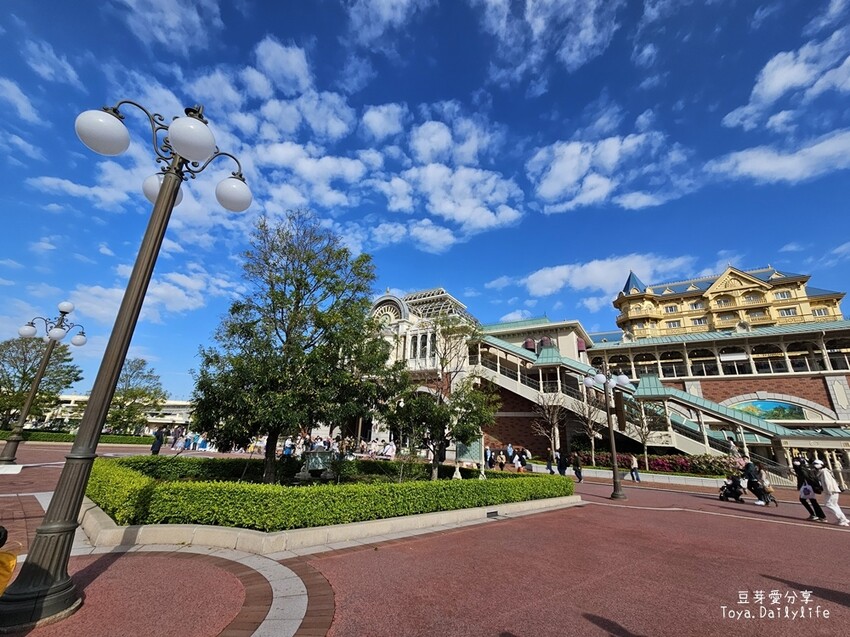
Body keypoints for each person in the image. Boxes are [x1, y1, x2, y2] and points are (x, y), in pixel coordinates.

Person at [813, 459, 849, 526]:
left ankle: (842, 519)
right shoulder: (824, 471)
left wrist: (829, 491)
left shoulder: (824, 472)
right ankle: (843, 518)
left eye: (816, 464)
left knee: (829, 505)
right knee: (834, 505)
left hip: (831, 491)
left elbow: (828, 483)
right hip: (832, 490)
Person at [792, 457, 826, 522]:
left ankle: (815, 515)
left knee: (805, 500)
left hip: (807, 486)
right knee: (812, 501)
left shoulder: (802, 469)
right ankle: (820, 516)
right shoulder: (805, 468)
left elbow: (805, 477)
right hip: (809, 486)